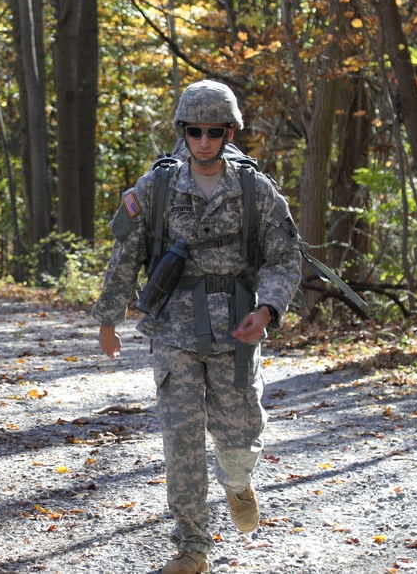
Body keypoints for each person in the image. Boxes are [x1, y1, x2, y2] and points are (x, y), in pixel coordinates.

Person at [93, 80, 302, 574]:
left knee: (240, 433)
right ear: (182, 132)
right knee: (181, 441)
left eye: (214, 131)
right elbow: (125, 256)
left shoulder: (256, 190)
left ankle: (237, 482)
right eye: (194, 131)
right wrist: (107, 319)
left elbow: (284, 257)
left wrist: (268, 308)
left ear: (230, 133)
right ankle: (192, 547)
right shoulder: (157, 188)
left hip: (236, 330)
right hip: (173, 333)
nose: (204, 141)